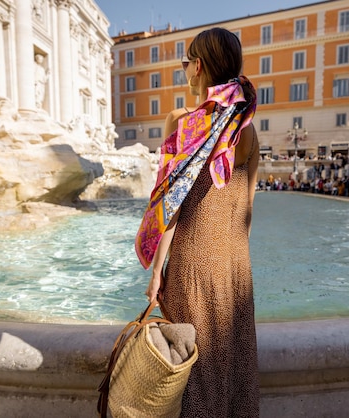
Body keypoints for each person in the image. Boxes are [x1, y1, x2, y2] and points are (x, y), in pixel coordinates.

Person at [137, 28, 259, 417]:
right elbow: (247, 209)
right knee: (233, 370)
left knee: (192, 372)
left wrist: (157, 272)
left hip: (192, 265)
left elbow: (170, 204)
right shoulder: (248, 127)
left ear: (199, 66)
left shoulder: (184, 121)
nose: (184, 69)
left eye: (186, 62)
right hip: (235, 266)